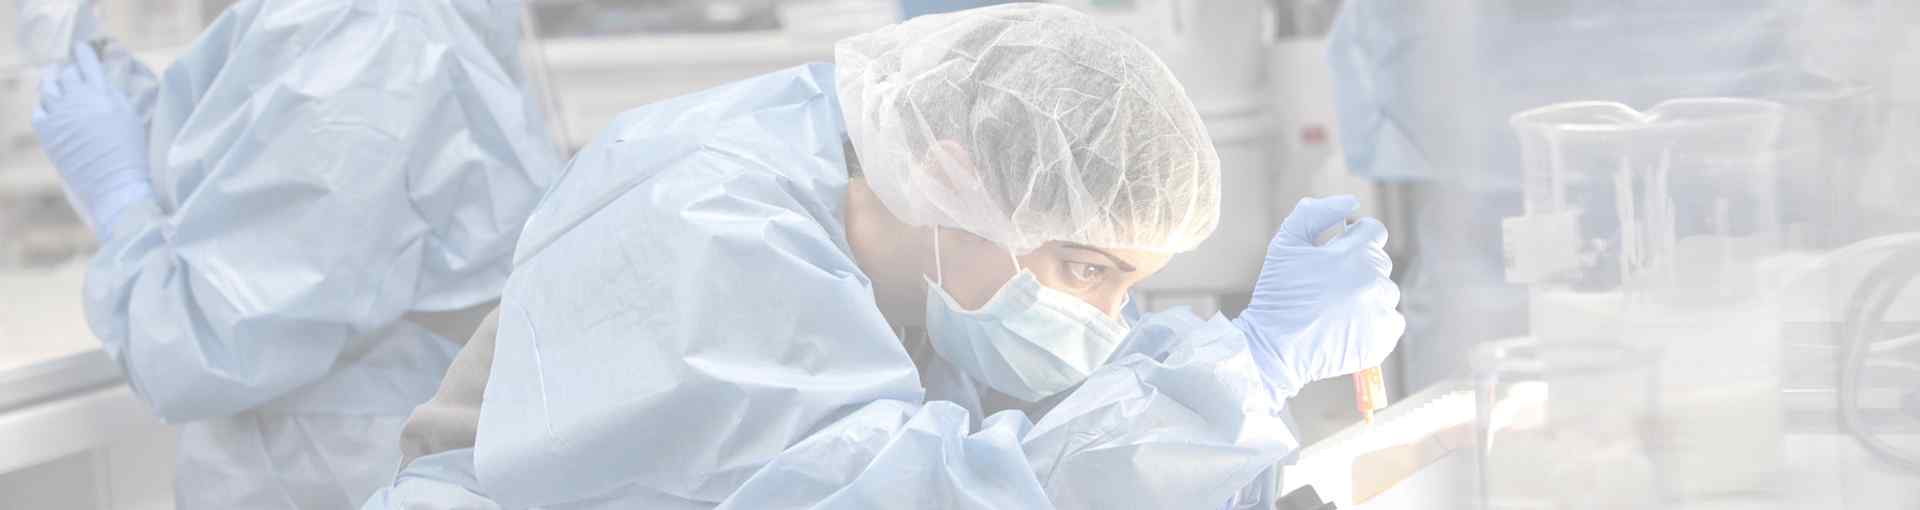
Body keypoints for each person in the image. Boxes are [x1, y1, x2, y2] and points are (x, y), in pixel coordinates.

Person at [365, 4, 1402, 509]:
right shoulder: (713, 227)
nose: (1103, 321)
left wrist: (1206, 388)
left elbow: (1014, 429)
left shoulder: (899, 217)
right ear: (950, 179)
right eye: (1089, 271)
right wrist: (1243, 376)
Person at [29, 1, 562, 507]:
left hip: (339, 472)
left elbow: (201, 345)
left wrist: (123, 203)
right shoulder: (352, 27)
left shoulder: (356, 37)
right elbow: (242, 184)